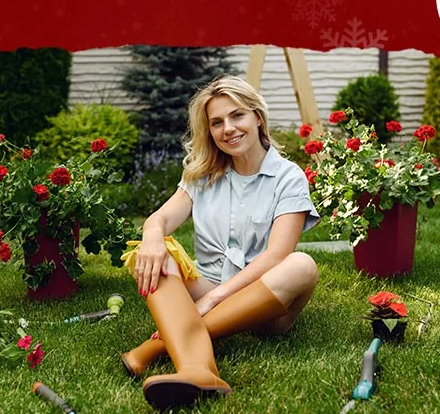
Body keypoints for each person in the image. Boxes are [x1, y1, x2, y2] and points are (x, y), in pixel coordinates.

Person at [121, 75, 320, 411]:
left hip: (266, 301)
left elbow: (276, 256)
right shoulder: (202, 173)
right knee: (153, 251)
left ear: (257, 117)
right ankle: (198, 370)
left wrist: (214, 298)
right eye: (217, 122)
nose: (228, 128)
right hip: (208, 286)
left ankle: (157, 347)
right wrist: (152, 238)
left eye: (237, 115)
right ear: (209, 131)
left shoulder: (289, 177)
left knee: (302, 265)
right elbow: (160, 220)